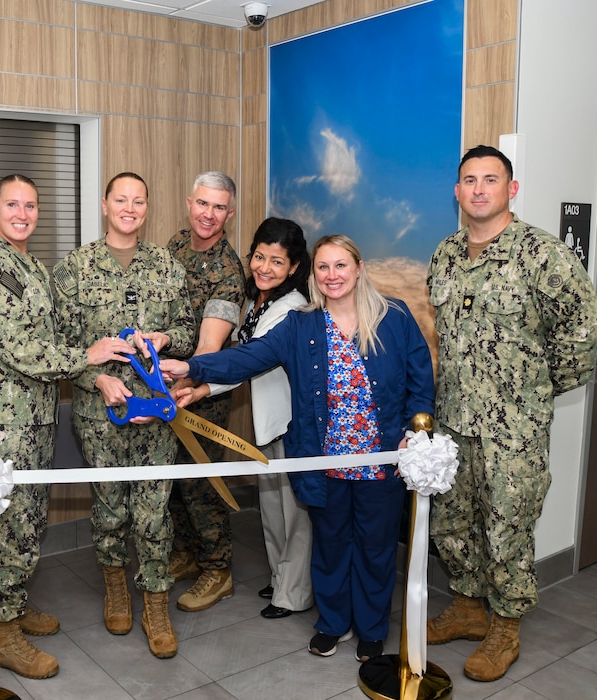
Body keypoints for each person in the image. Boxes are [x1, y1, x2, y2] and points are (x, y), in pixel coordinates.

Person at [161, 234, 434, 663]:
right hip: (323, 461)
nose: (332, 276)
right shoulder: (302, 326)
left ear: (359, 268)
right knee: (330, 545)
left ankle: (372, 629)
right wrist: (193, 366)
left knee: (376, 549)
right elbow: (248, 357)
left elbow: (421, 379)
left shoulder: (394, 317)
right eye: (323, 267)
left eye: (340, 265)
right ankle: (332, 623)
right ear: (314, 274)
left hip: (380, 462)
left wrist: (414, 433)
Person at [426, 145, 597, 681]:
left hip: (514, 432)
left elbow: (582, 330)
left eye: (491, 180)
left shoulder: (542, 254)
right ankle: (468, 606)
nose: (479, 189)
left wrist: (536, 391)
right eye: (469, 180)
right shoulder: (446, 254)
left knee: (507, 527)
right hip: (455, 419)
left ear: (511, 189)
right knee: (454, 522)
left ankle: (505, 625)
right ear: (457, 192)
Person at [0, 174, 132, 679]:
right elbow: (21, 349)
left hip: (32, 415)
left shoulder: (30, 265)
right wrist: (89, 356)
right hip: (1, 418)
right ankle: (3, 632)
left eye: (30, 205)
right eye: (12, 204)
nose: (22, 213)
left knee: (27, 516)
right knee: (7, 524)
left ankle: (10, 604)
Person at [52, 172, 196, 659]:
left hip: (157, 412)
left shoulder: (167, 265)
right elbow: (62, 345)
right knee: (110, 507)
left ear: (147, 208)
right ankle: (116, 587)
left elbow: (188, 328)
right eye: (121, 199)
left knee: (154, 513)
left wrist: (166, 340)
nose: (129, 208)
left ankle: (156, 603)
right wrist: (96, 378)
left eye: (138, 200)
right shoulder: (74, 268)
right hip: (100, 413)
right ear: (104, 204)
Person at [175, 217, 314, 619]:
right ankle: (279, 578)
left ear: (293, 267)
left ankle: (293, 594)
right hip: (266, 424)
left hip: (292, 424)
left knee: (296, 514)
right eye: (259, 256)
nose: (264, 267)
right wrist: (201, 389)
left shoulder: (291, 308)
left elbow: (248, 363)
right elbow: (241, 363)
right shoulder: (255, 300)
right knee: (273, 507)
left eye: (276, 261)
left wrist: (197, 380)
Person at [164, 171, 246, 613]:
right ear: (188, 203)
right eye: (202, 204)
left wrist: (180, 385)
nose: (208, 215)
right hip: (165, 386)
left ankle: (218, 568)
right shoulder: (174, 247)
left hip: (200, 394)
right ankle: (189, 554)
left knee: (200, 482)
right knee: (175, 478)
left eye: (219, 207)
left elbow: (209, 347)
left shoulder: (228, 271)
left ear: (229, 213)